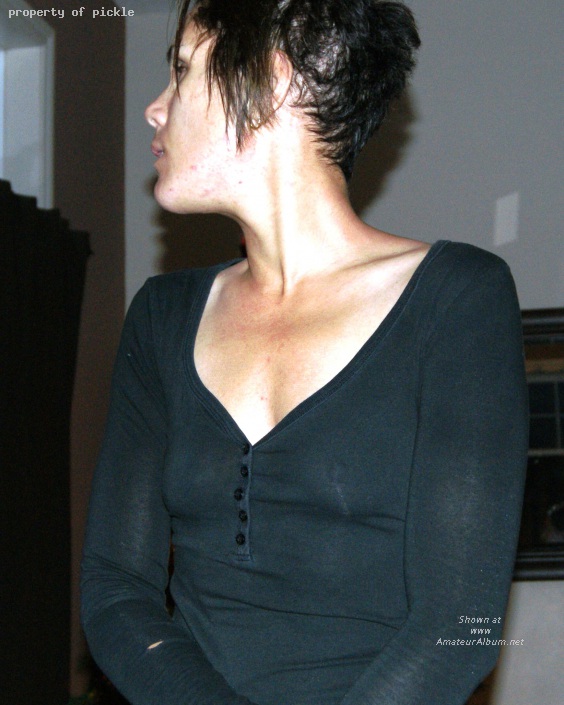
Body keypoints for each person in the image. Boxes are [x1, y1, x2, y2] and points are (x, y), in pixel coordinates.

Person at [80, 1, 529, 704]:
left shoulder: (457, 298)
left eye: (183, 71)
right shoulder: (161, 318)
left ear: (275, 80)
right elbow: (114, 589)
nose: (154, 108)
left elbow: (461, 627)